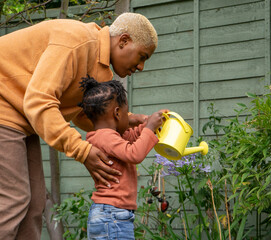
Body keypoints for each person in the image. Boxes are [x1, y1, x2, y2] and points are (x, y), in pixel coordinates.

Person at [0, 12, 157, 239]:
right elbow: (39, 101)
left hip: (20, 116)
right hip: (6, 107)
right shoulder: (76, 42)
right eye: (142, 56)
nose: (141, 66)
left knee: (34, 202)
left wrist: (127, 119)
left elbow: (86, 115)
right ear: (123, 41)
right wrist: (82, 150)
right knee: (13, 198)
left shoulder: (99, 68)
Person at [77, 76, 166, 239]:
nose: (129, 117)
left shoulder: (108, 136)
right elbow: (134, 153)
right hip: (113, 215)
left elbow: (130, 136)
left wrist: (147, 126)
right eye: (127, 112)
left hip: (110, 214)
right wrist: (150, 128)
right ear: (117, 113)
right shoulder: (106, 137)